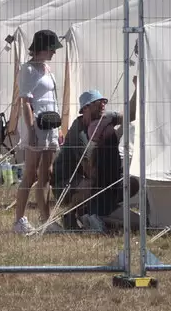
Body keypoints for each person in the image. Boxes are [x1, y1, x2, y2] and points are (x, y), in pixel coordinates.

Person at [13, 29, 63, 234]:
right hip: (36, 125)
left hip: (51, 125)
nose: (54, 52)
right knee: (31, 173)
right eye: (51, 48)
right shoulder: (28, 70)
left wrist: (58, 128)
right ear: (42, 48)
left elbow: (52, 98)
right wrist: (31, 129)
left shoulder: (46, 68)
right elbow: (25, 101)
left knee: (46, 173)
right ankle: (19, 221)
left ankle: (46, 219)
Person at [57, 89, 122, 231]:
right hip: (64, 182)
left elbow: (130, 115)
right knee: (91, 184)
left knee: (130, 184)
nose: (103, 105)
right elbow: (88, 169)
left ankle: (98, 212)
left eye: (104, 102)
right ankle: (71, 215)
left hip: (85, 176)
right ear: (86, 108)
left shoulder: (101, 121)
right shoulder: (78, 132)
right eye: (98, 103)